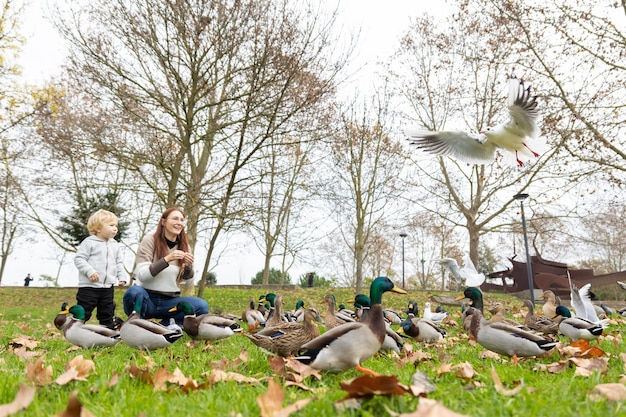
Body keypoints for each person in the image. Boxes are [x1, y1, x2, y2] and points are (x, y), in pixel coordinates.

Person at [122, 207, 208, 327]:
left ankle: (165, 326)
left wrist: (188, 267)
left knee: (201, 306)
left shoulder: (185, 246)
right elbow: (142, 276)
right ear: (163, 222)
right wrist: (167, 259)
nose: (179, 223)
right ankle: (138, 325)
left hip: (170, 301)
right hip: (147, 297)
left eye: (182, 220)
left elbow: (187, 284)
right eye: (175, 219)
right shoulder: (149, 241)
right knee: (133, 292)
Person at [74, 209, 128, 330]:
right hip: (89, 287)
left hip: (107, 287)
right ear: (98, 228)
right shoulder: (89, 243)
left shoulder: (115, 245)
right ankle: (74, 329)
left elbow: (119, 263)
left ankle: (108, 332)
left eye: (116, 226)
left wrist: (122, 277)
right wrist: (90, 271)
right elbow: (79, 259)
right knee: (84, 311)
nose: (115, 228)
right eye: (111, 225)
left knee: (107, 312)